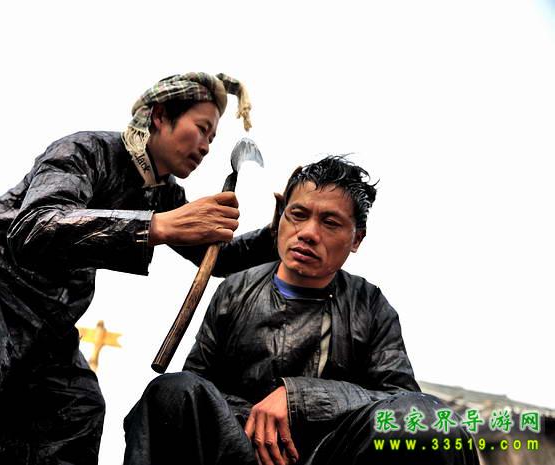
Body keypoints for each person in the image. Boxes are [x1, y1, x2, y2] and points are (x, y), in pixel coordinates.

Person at [0, 72, 278, 465]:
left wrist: (280, 232)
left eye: (213, 137)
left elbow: (219, 259)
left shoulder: (163, 194)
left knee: (75, 409)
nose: (206, 146)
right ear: (161, 116)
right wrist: (155, 227)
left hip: (44, 315)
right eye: (201, 129)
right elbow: (35, 225)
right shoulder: (85, 151)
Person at [124, 156, 479, 465]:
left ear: (356, 238)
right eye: (298, 215)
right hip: (238, 451)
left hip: (330, 454)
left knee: (425, 417)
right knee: (172, 392)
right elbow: (198, 393)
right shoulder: (235, 290)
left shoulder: (370, 305)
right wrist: (255, 423)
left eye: (330, 222)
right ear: (281, 219)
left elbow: (398, 397)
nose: (308, 233)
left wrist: (298, 398)